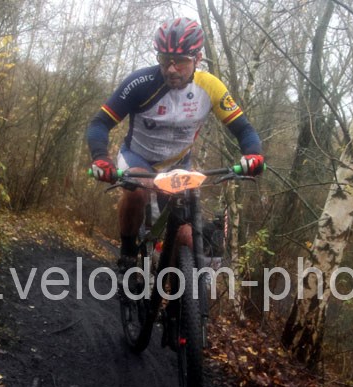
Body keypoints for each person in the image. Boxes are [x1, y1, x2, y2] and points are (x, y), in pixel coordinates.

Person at [87, 17, 264, 276]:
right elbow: (100, 123)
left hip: (178, 165)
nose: (171, 69)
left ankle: (171, 284)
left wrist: (253, 155)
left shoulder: (210, 87)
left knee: (186, 233)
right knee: (137, 191)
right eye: (164, 59)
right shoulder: (139, 83)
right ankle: (127, 253)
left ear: (197, 58)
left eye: (180, 60)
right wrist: (101, 158)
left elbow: (244, 129)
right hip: (138, 157)